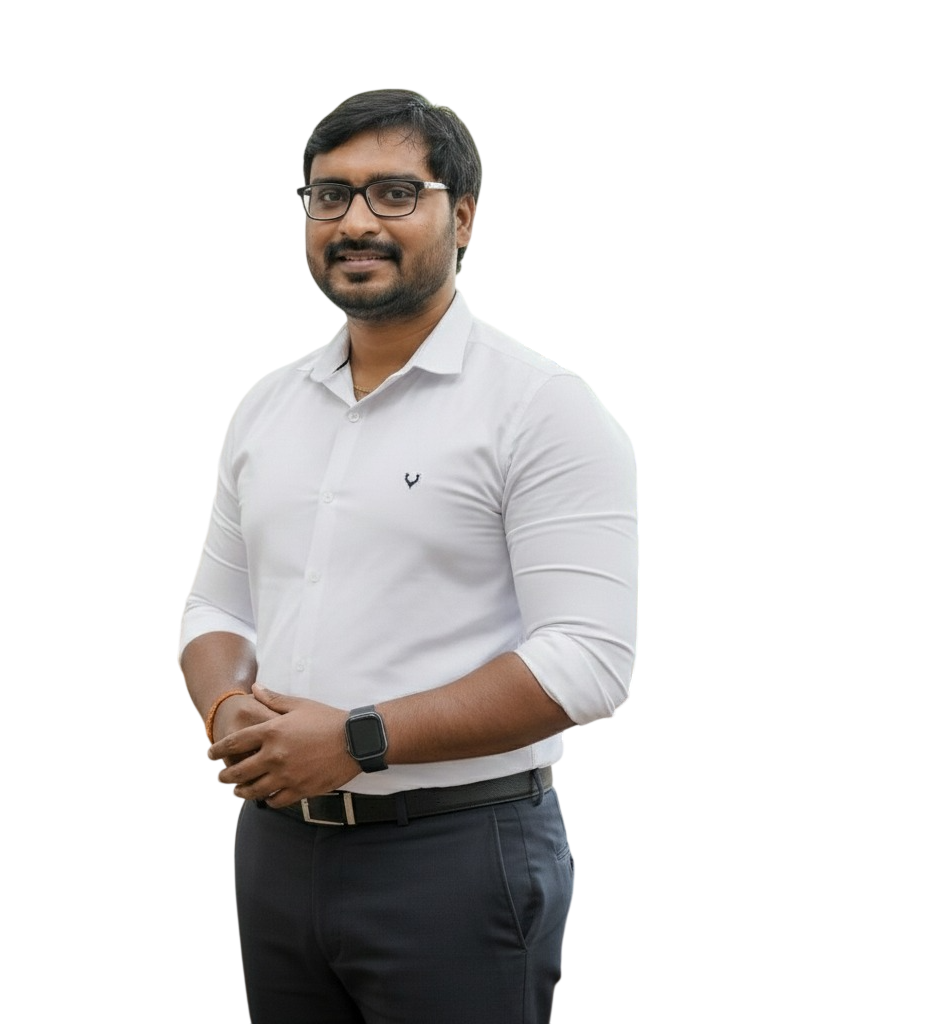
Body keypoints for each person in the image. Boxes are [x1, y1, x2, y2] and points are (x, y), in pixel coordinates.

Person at [178, 87, 639, 1024]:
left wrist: (356, 742)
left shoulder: (544, 407)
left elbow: (590, 662)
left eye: (394, 194)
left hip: (458, 857)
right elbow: (215, 610)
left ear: (462, 217)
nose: (355, 222)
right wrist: (227, 708)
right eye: (329, 195)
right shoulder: (266, 404)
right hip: (274, 851)